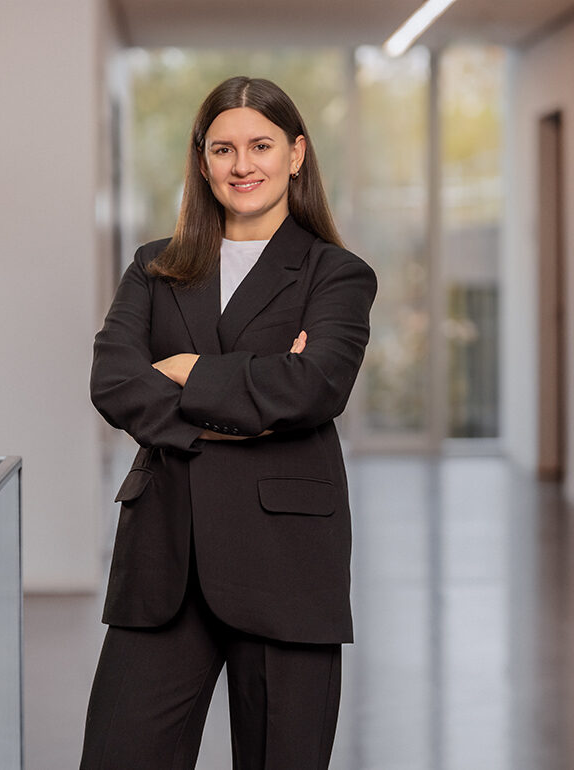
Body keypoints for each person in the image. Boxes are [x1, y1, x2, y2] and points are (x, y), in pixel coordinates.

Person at [82, 75, 377, 770]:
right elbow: (115, 381)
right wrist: (247, 402)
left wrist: (187, 369)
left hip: (285, 562)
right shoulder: (154, 267)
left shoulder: (336, 275)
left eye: (261, 146)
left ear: (295, 154)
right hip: (164, 560)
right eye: (223, 149)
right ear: (202, 159)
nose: (242, 165)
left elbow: (313, 387)